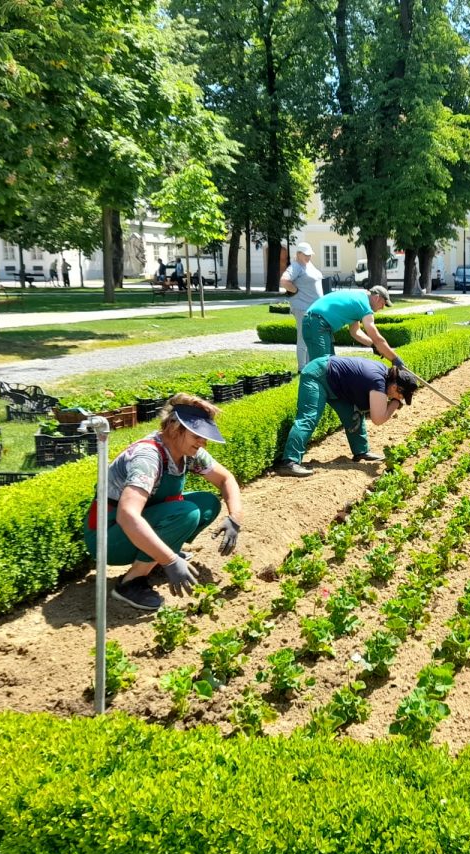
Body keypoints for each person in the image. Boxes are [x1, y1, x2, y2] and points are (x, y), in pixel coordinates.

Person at [83, 394, 245, 612]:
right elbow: (127, 515)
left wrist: (235, 518)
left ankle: (154, 556)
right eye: (197, 435)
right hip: (107, 535)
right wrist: (170, 560)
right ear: (174, 427)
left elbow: (226, 479)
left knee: (207, 503)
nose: (203, 442)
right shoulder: (147, 458)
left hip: (139, 521)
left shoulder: (188, 452)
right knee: (186, 513)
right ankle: (131, 583)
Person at [275, 357, 417, 477]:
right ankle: (289, 462)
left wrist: (394, 401)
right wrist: (394, 403)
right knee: (309, 416)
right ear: (395, 387)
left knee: (352, 415)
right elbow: (378, 419)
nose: (400, 399)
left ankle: (361, 452)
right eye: (402, 396)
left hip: (336, 384)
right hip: (317, 375)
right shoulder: (378, 382)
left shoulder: (385, 376)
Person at [301, 285, 403, 367]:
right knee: (322, 367)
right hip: (316, 322)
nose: (383, 307)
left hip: (317, 323)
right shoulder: (364, 305)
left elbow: (355, 332)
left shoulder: (359, 300)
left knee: (330, 365)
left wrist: (373, 345)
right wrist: (395, 359)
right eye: (383, 303)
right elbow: (376, 337)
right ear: (377, 298)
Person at [280, 241, 324, 371]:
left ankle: (309, 365)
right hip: (302, 307)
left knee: (311, 337)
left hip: (312, 307)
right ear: (298, 254)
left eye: (310, 254)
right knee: (303, 338)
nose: (308, 257)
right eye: (306, 254)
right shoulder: (296, 266)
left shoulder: (308, 264)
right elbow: (284, 281)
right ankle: (302, 368)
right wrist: (295, 290)